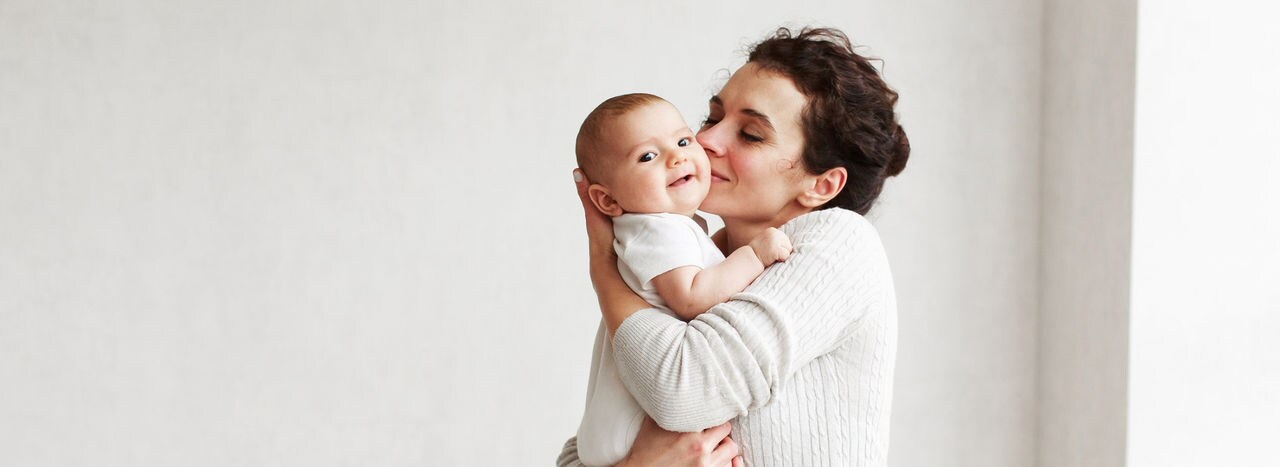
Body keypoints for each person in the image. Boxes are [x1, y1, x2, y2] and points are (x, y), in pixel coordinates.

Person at [559, 26, 910, 466]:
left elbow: (682, 390)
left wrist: (602, 269)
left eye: (751, 134)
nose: (705, 141)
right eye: (711, 117)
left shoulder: (840, 246)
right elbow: (583, 451)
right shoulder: (686, 263)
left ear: (821, 185)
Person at [571, 93, 794, 467]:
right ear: (607, 201)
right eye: (647, 156)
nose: (677, 157)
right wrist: (755, 255)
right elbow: (691, 298)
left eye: (682, 141)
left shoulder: (668, 228)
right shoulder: (657, 230)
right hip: (629, 432)